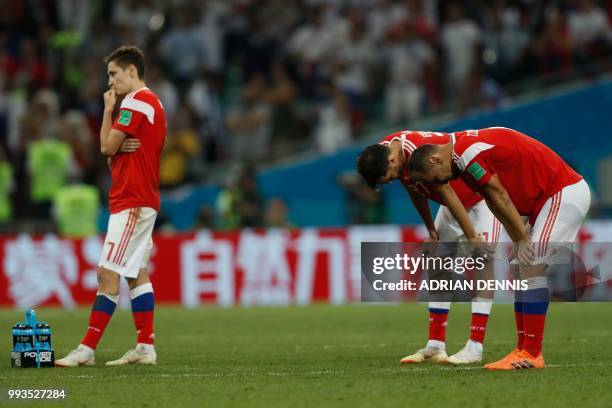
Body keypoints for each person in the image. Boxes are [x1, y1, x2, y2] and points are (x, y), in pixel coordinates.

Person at [407, 126, 590, 370]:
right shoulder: (461, 159)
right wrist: (518, 239)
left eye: (436, 178)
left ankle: (532, 353)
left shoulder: (466, 154)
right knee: (519, 268)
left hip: (562, 193)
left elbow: (500, 195)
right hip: (543, 199)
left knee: (530, 263)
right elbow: (493, 202)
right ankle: (523, 349)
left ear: (435, 159)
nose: (442, 183)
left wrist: (523, 239)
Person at [56, 46, 167, 367]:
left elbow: (105, 147)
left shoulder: (136, 102)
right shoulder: (154, 102)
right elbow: (111, 156)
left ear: (132, 71)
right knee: (135, 274)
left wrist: (108, 114)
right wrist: (114, 149)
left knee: (108, 273)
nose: (110, 82)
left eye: (114, 74)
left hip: (132, 201)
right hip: (140, 198)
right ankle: (145, 347)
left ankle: (86, 349)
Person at [357, 130, 507, 365]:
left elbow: (445, 189)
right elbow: (413, 189)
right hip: (451, 205)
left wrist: (472, 236)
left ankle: (475, 345)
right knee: (437, 262)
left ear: (392, 161)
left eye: (390, 176)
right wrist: (431, 231)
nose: (392, 180)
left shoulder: (417, 149)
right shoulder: (386, 153)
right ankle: (436, 344)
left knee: (482, 260)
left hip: (480, 200)